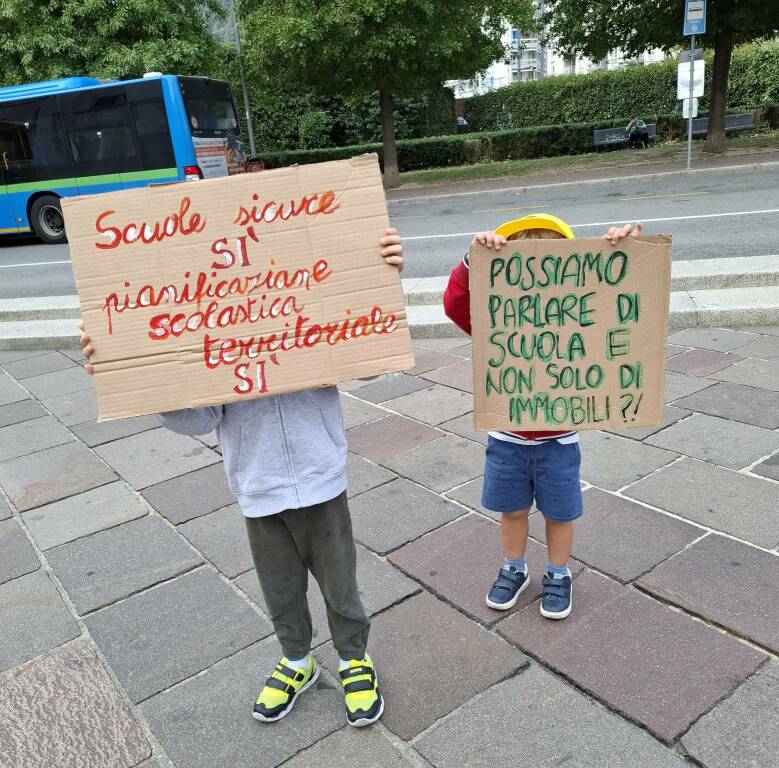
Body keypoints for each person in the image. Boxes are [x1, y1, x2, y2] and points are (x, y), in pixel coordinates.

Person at [79, 227, 405, 727]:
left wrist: (371, 271)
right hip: (257, 483)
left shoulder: (305, 302)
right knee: (279, 587)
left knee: (341, 584)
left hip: (320, 477)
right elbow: (200, 419)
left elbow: (365, 355)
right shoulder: (206, 330)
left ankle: (353, 657)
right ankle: (298, 660)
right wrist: (136, 376)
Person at [443, 215, 641, 620]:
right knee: (512, 509)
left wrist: (621, 251)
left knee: (560, 512)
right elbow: (456, 305)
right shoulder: (495, 317)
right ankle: (514, 566)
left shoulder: (579, 316)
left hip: (559, 440)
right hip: (507, 438)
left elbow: (619, 298)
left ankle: (558, 572)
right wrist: (472, 261)